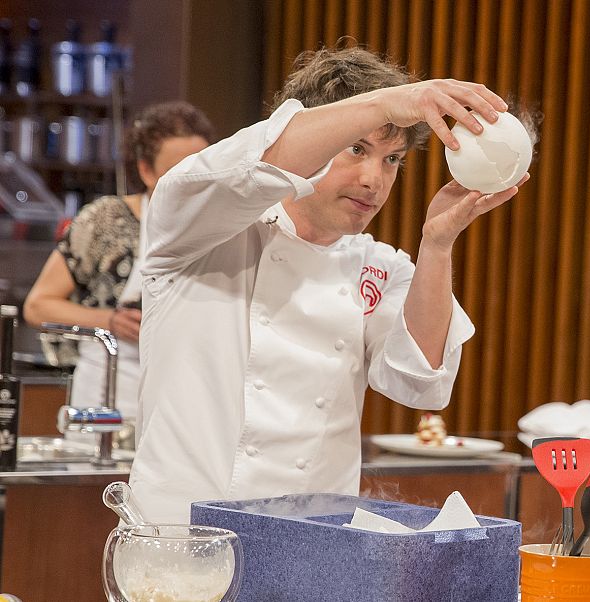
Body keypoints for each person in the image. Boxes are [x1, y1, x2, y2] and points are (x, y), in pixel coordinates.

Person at [129, 46, 529, 523]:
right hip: (181, 540)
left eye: (391, 160)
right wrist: (387, 103)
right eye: (357, 149)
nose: (373, 181)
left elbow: (421, 382)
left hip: (312, 546)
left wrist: (438, 244)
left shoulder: (376, 266)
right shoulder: (200, 228)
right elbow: (251, 166)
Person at [23, 102, 214, 433]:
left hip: (186, 399)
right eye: (178, 172)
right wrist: (109, 320)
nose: (192, 182)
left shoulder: (221, 227)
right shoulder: (105, 221)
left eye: (202, 168)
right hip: (109, 392)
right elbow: (38, 306)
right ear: (145, 170)